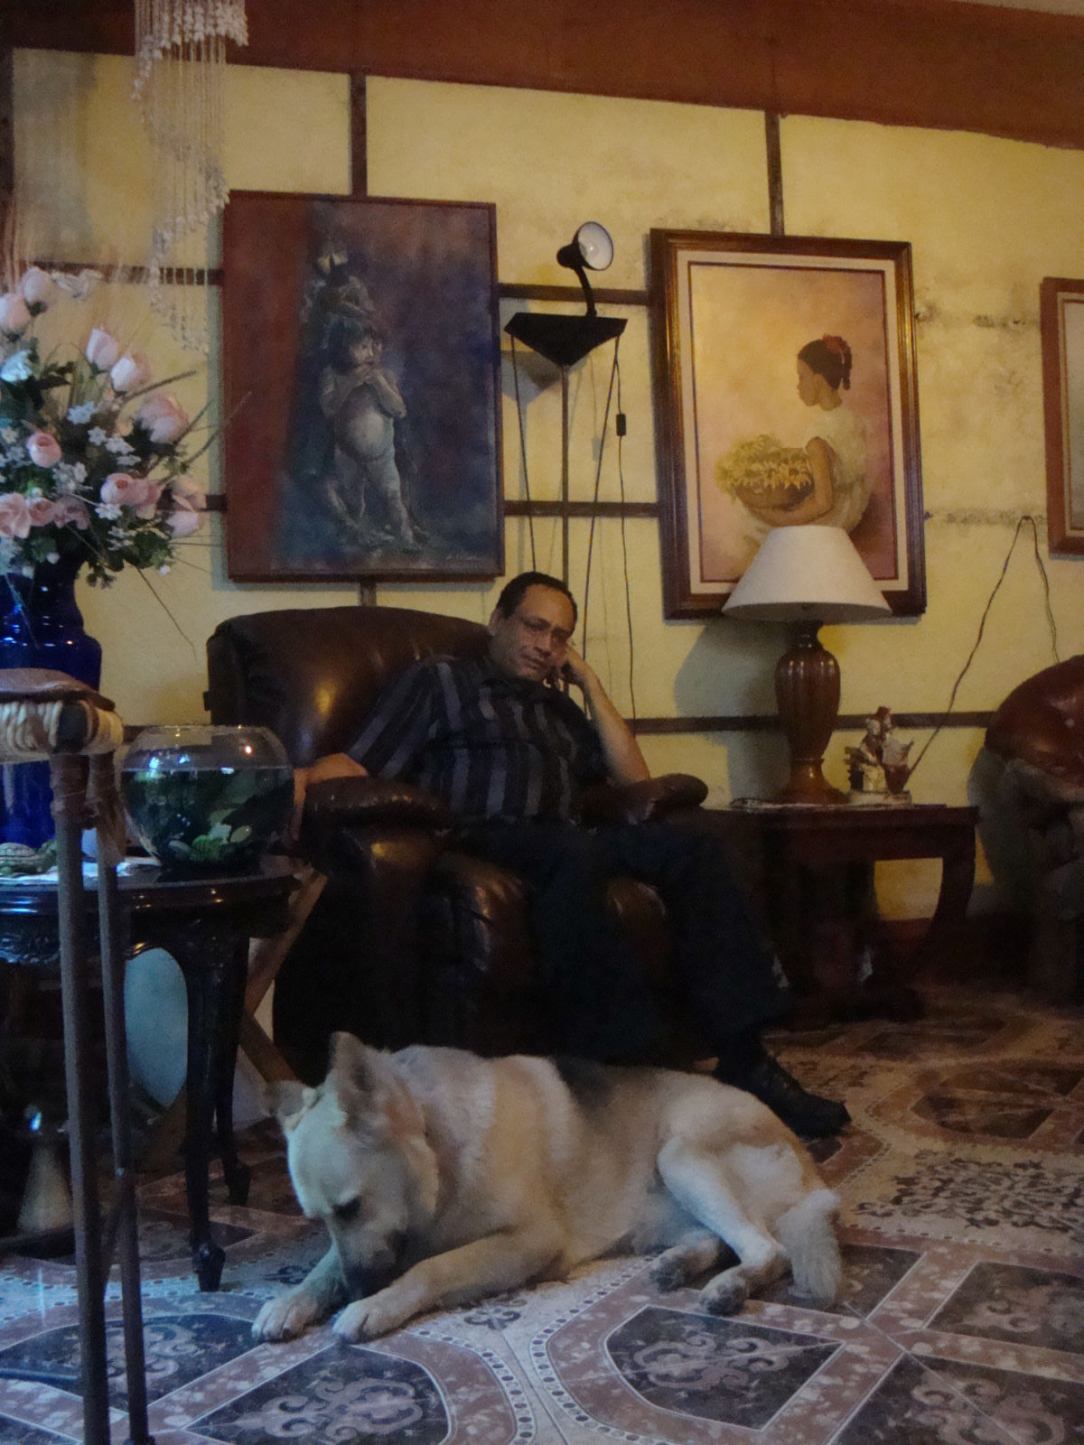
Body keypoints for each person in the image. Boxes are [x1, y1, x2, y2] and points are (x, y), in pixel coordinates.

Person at [294, 571, 851, 1138]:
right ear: (498, 621)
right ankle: (624, 1068)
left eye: (559, 637)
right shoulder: (442, 680)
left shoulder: (556, 709)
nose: (545, 645)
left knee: (697, 846)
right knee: (572, 855)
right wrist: (300, 780)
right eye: (534, 627)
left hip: (568, 837)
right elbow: (362, 761)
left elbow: (633, 781)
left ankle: (745, 1056)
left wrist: (589, 685)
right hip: (482, 838)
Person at [740, 334, 870, 532]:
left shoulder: (817, 436)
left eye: (802, 377)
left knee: (754, 523)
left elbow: (823, 503)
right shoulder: (852, 419)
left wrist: (781, 519)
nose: (798, 386)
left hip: (832, 520)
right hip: (853, 508)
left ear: (818, 381)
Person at [318, 319, 421, 548]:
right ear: (342, 349)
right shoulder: (331, 375)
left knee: (393, 497)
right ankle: (356, 537)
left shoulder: (382, 375)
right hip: (347, 454)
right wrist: (350, 384)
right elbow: (329, 409)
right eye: (362, 347)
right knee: (354, 501)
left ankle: (406, 539)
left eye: (371, 346)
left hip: (381, 455)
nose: (370, 352)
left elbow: (399, 410)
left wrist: (379, 384)